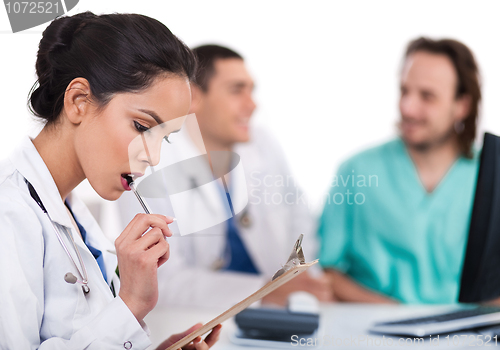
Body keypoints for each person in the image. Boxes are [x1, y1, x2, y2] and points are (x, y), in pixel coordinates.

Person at [0, 12, 221, 349]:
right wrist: (130, 305)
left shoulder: (73, 213)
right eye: (144, 128)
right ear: (79, 101)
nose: (153, 156)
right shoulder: (8, 213)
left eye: (166, 138)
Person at [117, 44, 333, 308]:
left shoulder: (262, 144)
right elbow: (161, 280)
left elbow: (300, 219)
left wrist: (298, 283)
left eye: (251, 90)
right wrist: (263, 292)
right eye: (236, 90)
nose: (252, 105)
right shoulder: (150, 162)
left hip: (278, 314)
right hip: (195, 323)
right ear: (193, 97)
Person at [318, 37, 481, 304]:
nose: (407, 107)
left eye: (427, 96)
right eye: (404, 91)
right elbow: (326, 270)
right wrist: (396, 317)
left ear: (462, 105)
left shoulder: (490, 177)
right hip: (375, 335)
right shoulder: (356, 171)